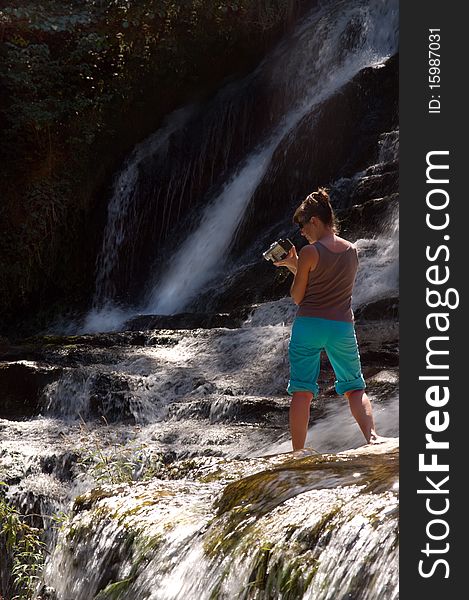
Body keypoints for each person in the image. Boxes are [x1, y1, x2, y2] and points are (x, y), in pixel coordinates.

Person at [274, 188, 384, 451]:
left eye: (302, 224)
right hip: (341, 327)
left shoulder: (310, 252)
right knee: (355, 387)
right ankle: (372, 438)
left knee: (302, 391)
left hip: (309, 325)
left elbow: (300, 296)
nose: (301, 231)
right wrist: (296, 266)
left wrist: (296, 267)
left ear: (314, 221)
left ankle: (298, 452)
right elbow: (330, 285)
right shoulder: (351, 250)